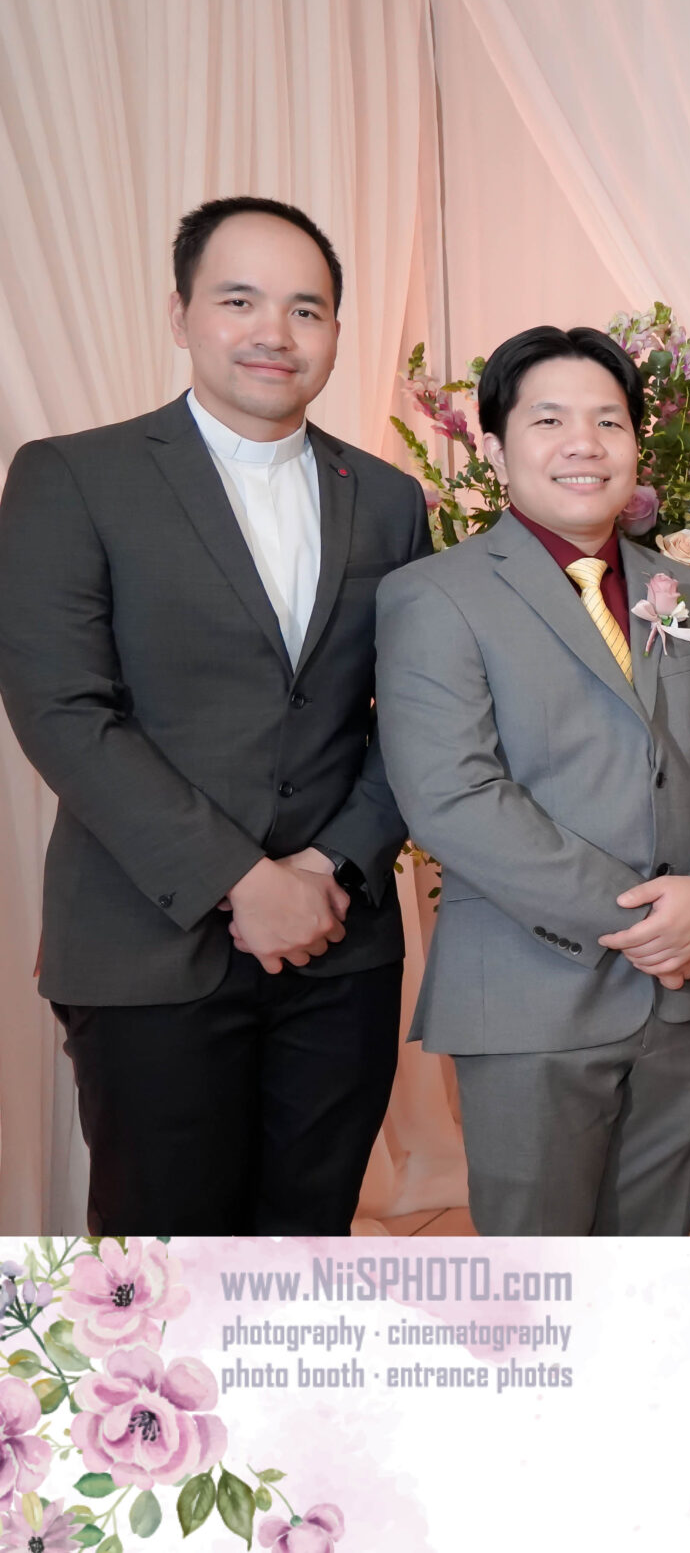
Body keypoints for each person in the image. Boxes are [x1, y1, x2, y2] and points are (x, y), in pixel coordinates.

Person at [0, 197, 426, 1234]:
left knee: (307, 1253)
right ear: (180, 313)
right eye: (240, 301)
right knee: (160, 1269)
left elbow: (417, 714)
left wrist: (327, 869)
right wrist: (245, 881)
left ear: (334, 332)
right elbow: (62, 708)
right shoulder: (74, 476)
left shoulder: (388, 497)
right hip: (147, 943)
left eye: (305, 309)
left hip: (340, 946)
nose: (274, 332)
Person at [376, 324, 690, 1236]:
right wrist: (652, 925)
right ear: (496, 447)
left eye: (608, 422)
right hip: (530, 997)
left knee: (653, 1276)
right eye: (549, 420)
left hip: (684, 1000)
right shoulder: (435, 594)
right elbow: (453, 795)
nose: (585, 443)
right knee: (536, 1287)